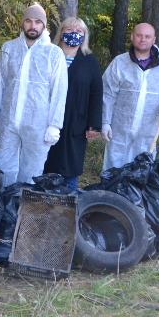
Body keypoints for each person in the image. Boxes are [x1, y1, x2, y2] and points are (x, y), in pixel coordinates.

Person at [0, 3, 68, 186]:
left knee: (32, 170)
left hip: (38, 123)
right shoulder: (9, 48)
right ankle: (3, 207)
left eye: (37, 22)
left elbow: (59, 90)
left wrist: (54, 125)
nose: (32, 26)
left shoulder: (54, 53)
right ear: (22, 23)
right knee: (3, 166)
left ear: (44, 25)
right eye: (28, 21)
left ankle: (25, 209)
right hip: (8, 120)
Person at [101, 22, 159, 171]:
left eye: (147, 36)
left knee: (142, 172)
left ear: (154, 40)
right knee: (114, 170)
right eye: (139, 35)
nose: (143, 39)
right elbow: (107, 93)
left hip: (148, 132)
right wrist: (105, 121)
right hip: (119, 131)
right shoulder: (120, 63)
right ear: (132, 37)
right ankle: (112, 193)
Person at [43, 17, 103, 190]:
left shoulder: (89, 61)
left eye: (79, 31)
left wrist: (94, 124)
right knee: (43, 163)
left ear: (84, 36)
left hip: (75, 121)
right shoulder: (49, 55)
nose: (74, 34)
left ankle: (67, 206)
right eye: (69, 30)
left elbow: (96, 93)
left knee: (69, 167)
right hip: (46, 118)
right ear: (61, 33)